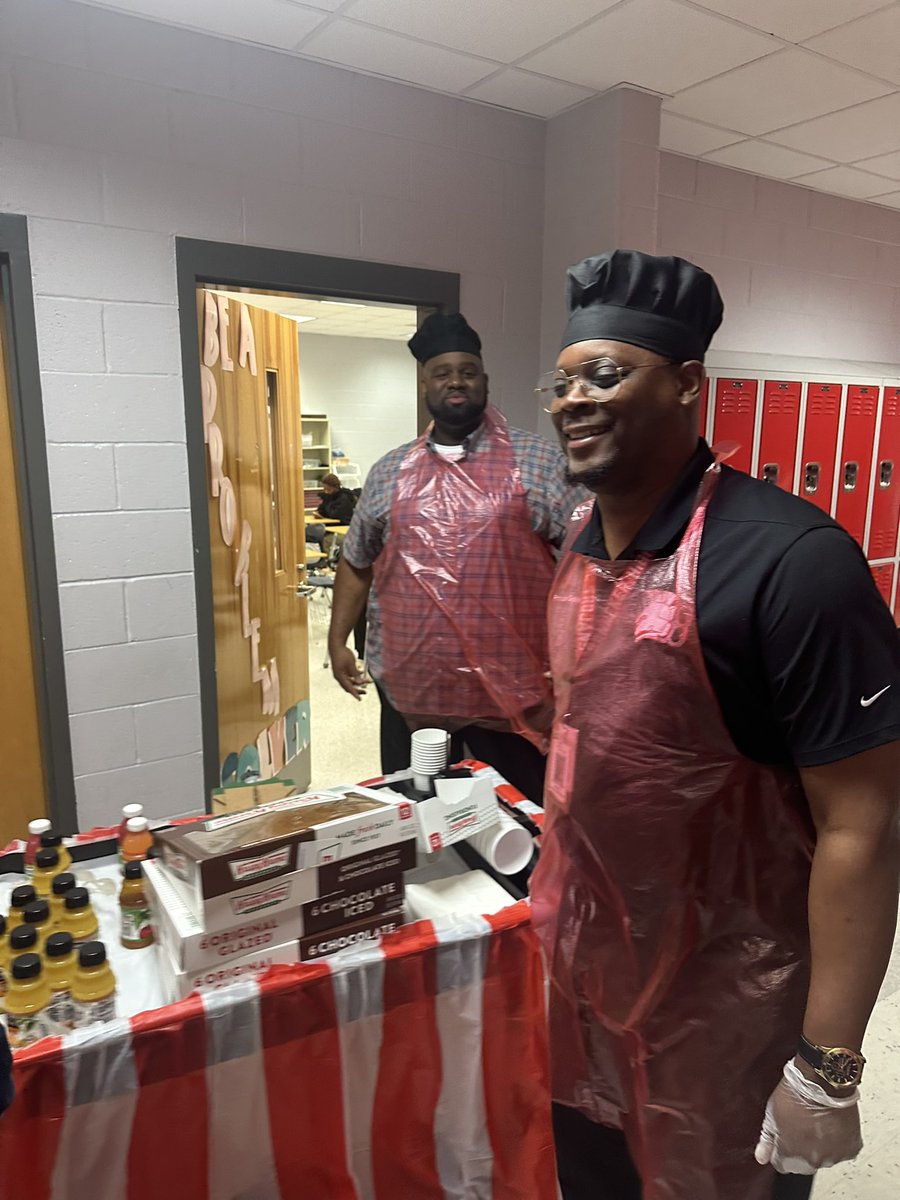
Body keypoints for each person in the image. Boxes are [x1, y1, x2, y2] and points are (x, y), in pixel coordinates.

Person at [530, 249, 900, 1200]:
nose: (575, 400)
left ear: (688, 384)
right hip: (585, 981)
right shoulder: (577, 542)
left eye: (605, 374)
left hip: (729, 1009)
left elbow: (866, 827)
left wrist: (828, 1064)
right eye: (563, 381)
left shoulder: (793, 564)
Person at [327, 311, 580, 804]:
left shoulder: (540, 464)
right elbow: (356, 561)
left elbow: (583, 571)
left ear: (484, 380)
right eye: (443, 373)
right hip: (414, 699)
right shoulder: (390, 471)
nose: (456, 382)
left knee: (517, 828)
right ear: (425, 384)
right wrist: (338, 641)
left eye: (467, 371)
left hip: (512, 706)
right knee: (416, 819)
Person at [306, 473, 356, 553]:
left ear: (335, 487)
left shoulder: (344, 498)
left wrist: (323, 514)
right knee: (310, 535)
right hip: (330, 528)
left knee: (326, 540)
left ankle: (327, 560)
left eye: (328, 489)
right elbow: (321, 510)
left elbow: (335, 515)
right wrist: (318, 513)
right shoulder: (329, 497)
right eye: (324, 489)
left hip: (342, 528)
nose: (326, 491)